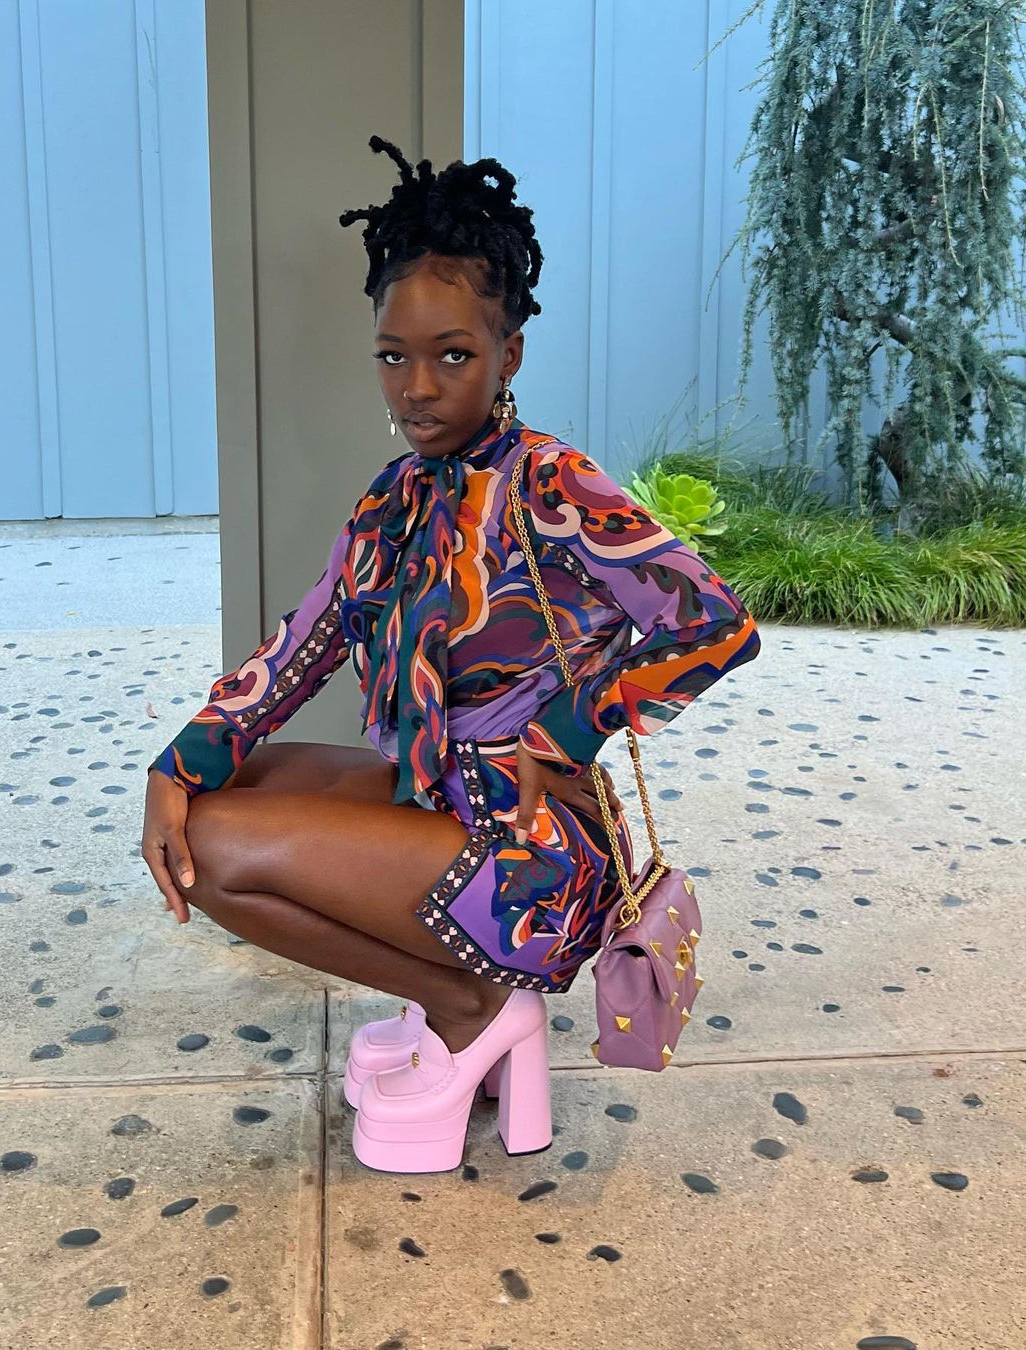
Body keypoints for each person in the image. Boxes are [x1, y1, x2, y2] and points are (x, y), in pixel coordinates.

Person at [141, 135, 761, 1174]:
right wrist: (178, 760)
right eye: (394, 356)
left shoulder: (551, 484)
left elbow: (716, 622)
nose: (417, 387)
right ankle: (463, 1001)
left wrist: (566, 729)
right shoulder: (394, 497)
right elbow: (305, 642)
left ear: (508, 354)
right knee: (212, 800)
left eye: (453, 355)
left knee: (219, 852)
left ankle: (470, 1005)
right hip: (438, 802)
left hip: (533, 856)